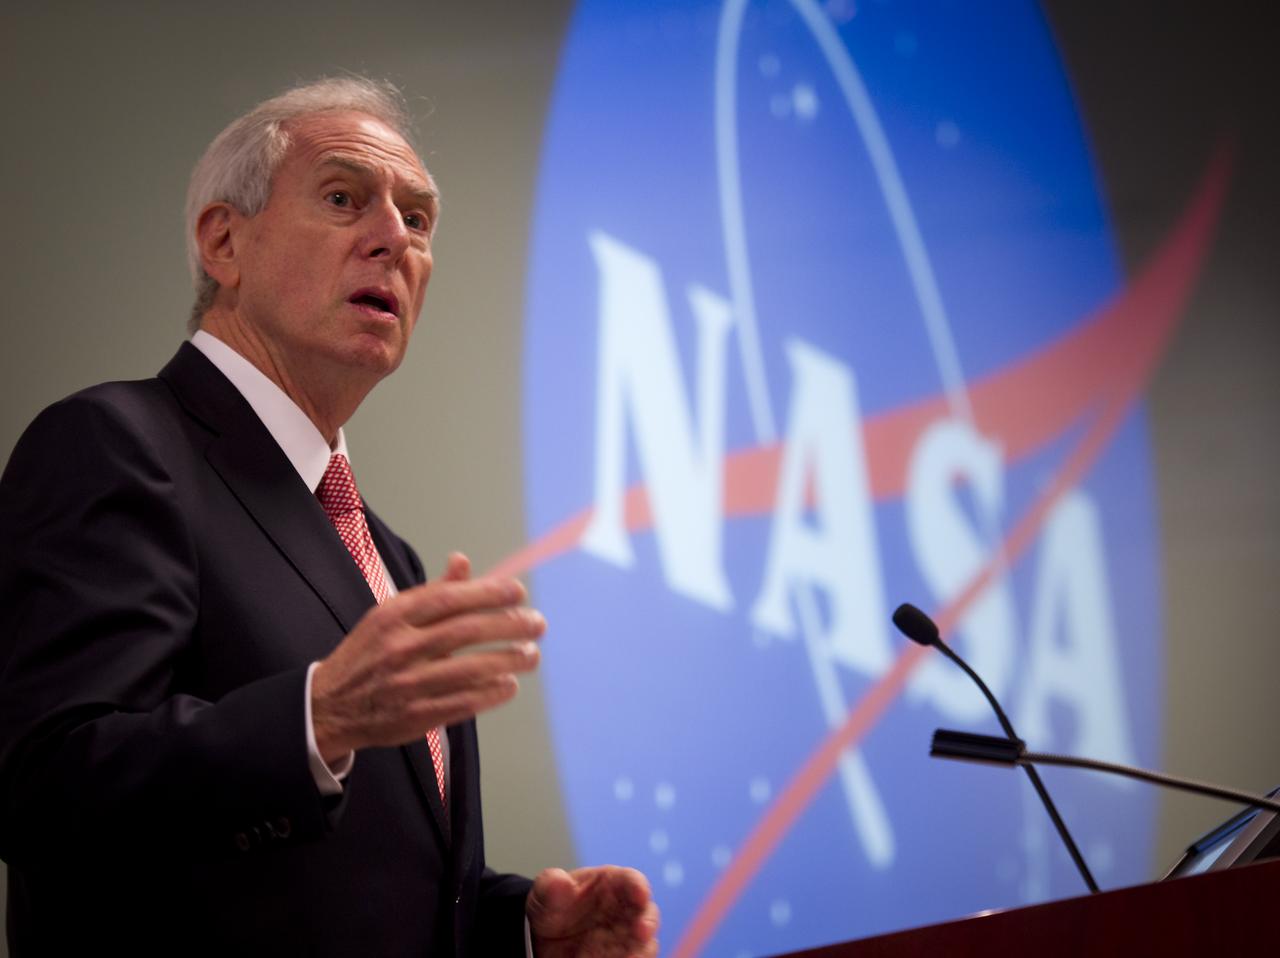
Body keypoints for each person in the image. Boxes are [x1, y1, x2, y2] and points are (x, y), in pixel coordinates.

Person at [0, 76, 658, 957]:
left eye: (419, 221)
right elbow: (41, 788)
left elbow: (358, 878)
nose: (394, 239)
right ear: (224, 242)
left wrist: (520, 924)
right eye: (346, 199)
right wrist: (315, 720)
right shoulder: (116, 443)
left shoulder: (390, 554)